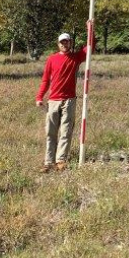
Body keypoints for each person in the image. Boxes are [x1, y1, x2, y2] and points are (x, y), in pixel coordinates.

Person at [36, 32, 88, 172]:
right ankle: (48, 162)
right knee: (50, 132)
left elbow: (89, 48)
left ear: (70, 43)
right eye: (62, 42)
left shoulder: (76, 57)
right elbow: (46, 80)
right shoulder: (52, 59)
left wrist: (90, 28)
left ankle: (60, 161)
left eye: (67, 42)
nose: (64, 44)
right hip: (53, 100)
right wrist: (40, 97)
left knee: (66, 131)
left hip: (69, 100)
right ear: (58, 44)